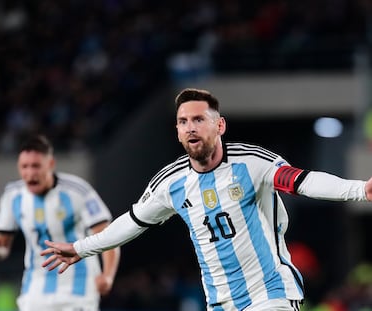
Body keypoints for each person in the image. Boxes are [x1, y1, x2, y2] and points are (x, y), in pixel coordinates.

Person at [41, 88, 372, 311]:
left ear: (220, 125)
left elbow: (301, 180)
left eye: (199, 119)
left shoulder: (251, 163)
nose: (191, 127)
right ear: (177, 131)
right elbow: (133, 221)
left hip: (271, 294)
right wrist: (83, 247)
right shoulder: (171, 183)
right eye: (183, 122)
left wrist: (359, 189)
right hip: (222, 302)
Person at [0, 134, 120, 311]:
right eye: (24, 167)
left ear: (50, 164)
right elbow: (2, 250)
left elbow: (108, 237)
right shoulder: (12, 195)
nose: (30, 173)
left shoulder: (78, 191)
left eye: (36, 166)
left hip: (79, 285)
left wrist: (108, 275)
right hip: (36, 286)